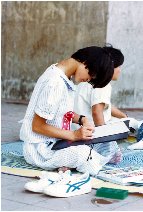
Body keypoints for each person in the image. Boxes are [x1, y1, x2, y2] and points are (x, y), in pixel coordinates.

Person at [20, 46, 124, 196]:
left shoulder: (62, 75)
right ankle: (60, 178)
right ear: (86, 61)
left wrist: (83, 119)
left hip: (54, 142)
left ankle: (90, 158)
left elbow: (62, 111)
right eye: (91, 75)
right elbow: (37, 126)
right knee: (84, 154)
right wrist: (74, 136)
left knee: (98, 140)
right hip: (40, 150)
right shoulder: (54, 82)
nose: (88, 79)